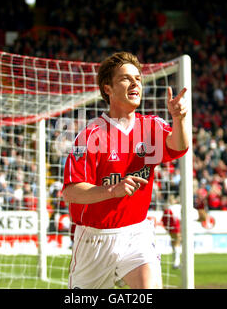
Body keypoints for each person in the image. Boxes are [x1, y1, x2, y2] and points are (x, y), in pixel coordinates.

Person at [62, 51, 190, 289]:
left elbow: (179, 145)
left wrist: (179, 118)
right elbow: (71, 192)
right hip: (94, 241)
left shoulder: (151, 126)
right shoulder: (90, 136)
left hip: (136, 233)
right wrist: (113, 190)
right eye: (125, 78)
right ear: (108, 89)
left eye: (138, 78)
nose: (135, 83)